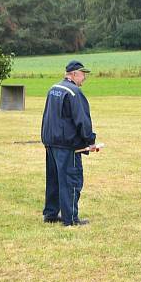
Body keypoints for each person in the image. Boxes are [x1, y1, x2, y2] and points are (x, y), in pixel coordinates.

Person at [41, 60, 98, 227]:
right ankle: (71, 219)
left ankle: (51, 213)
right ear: (73, 74)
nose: (84, 78)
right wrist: (90, 141)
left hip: (51, 142)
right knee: (71, 181)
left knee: (54, 179)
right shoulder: (74, 93)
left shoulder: (54, 89)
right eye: (82, 74)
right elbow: (82, 120)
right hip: (68, 145)